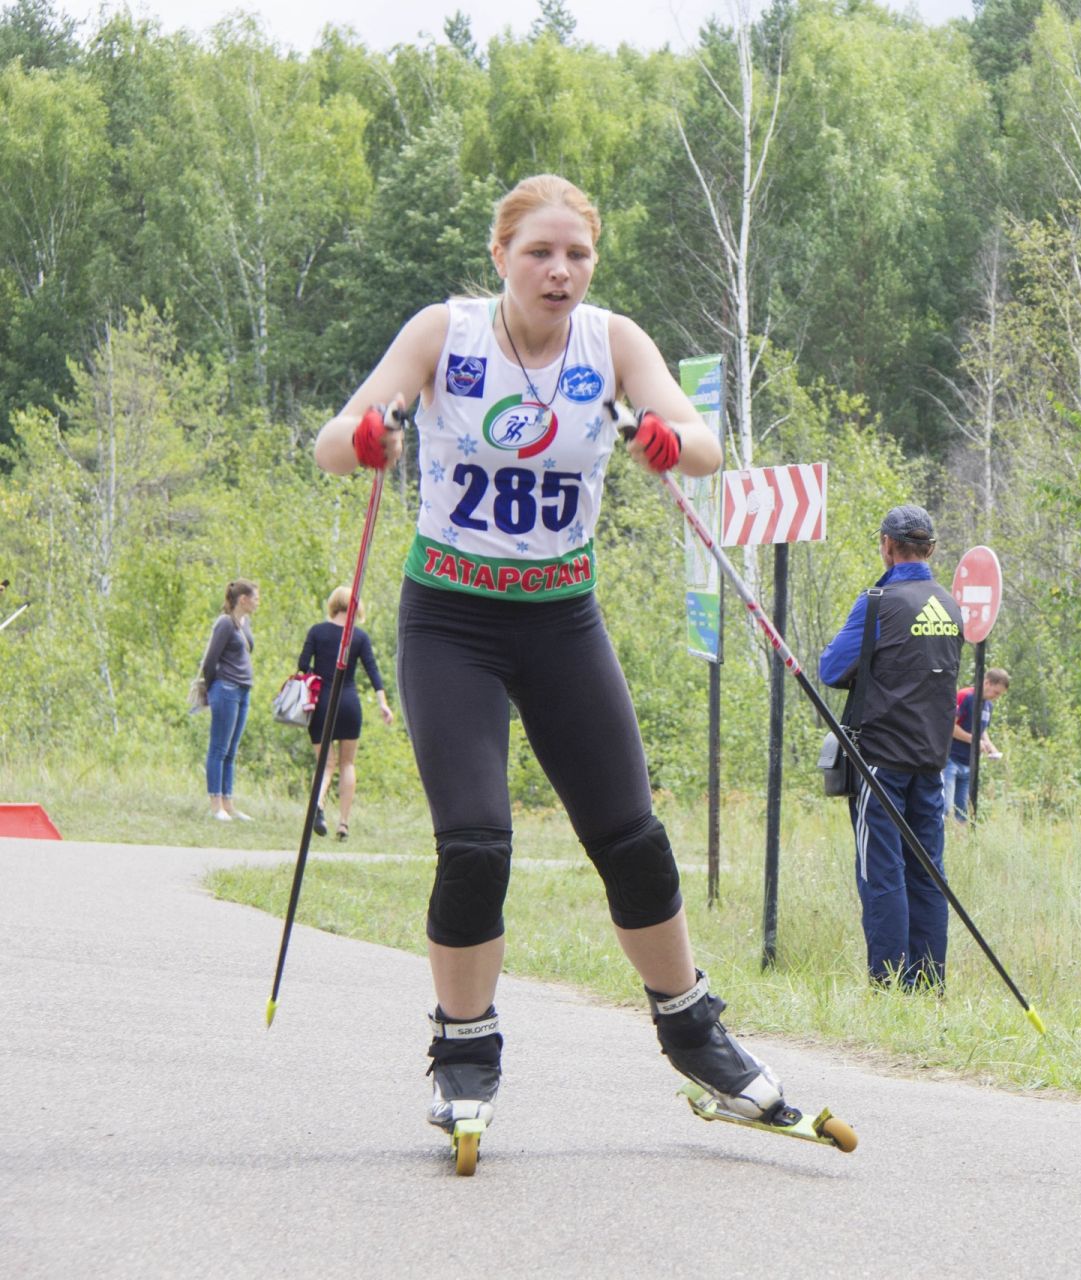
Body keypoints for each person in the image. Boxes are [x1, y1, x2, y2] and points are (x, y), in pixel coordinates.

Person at [312, 173, 791, 1149]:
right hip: (451, 619)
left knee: (633, 836)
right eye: (540, 251)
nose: (560, 270)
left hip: (562, 620)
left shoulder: (610, 343)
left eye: (577, 254)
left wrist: (664, 436)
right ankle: (463, 1050)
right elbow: (331, 441)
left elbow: (704, 446)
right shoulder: (445, 334)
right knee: (480, 842)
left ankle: (696, 1033)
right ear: (501, 256)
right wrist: (367, 436)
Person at [819, 504, 963, 986]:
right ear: (932, 549)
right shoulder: (950, 604)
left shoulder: (879, 601)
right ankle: (928, 980)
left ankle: (888, 982)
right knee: (928, 871)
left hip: (880, 760)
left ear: (886, 545)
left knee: (882, 872)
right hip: (932, 759)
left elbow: (832, 669)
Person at [297, 586, 394, 840]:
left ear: (333, 605)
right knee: (347, 763)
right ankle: (343, 824)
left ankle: (318, 805)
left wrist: (311, 681)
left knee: (326, 764)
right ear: (355, 607)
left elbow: (302, 666)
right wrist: (383, 703)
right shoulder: (359, 637)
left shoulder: (317, 632)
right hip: (349, 703)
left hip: (321, 703)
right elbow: (372, 671)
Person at [199, 579, 259, 821]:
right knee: (219, 748)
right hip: (226, 688)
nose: (258, 602)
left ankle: (229, 803)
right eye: (255, 597)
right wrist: (214, 688)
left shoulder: (245, 623)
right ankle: (216, 805)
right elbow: (210, 661)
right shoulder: (225, 623)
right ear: (242, 599)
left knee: (232, 750)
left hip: (243, 690)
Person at [945, 668, 1009, 823]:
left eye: (999, 694)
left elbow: (981, 730)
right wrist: (973, 740)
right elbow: (949, 726)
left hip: (969, 765)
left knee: (964, 811)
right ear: (986, 682)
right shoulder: (965, 696)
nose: (996, 697)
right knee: (944, 808)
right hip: (950, 760)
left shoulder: (988, 706)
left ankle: (962, 842)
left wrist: (990, 746)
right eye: (996, 692)